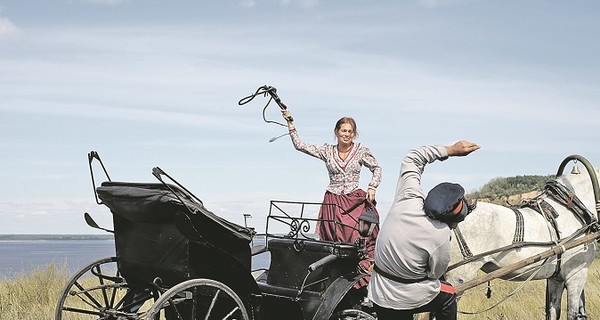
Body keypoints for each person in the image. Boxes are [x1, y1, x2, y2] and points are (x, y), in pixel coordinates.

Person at [368, 140, 480, 320]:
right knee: (449, 294)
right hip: (403, 298)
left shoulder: (409, 196)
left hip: (378, 292)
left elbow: (412, 158)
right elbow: (435, 273)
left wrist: (450, 150)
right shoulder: (441, 234)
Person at [281, 109, 382, 287]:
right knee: (334, 241)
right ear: (337, 132)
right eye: (344, 130)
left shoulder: (361, 150)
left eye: (350, 131)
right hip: (333, 202)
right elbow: (300, 145)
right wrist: (291, 124)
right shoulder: (327, 151)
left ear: (354, 134)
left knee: (360, 237)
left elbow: (377, 168)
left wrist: (372, 187)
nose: (347, 134)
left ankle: (363, 280)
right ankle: (335, 276)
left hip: (354, 200)